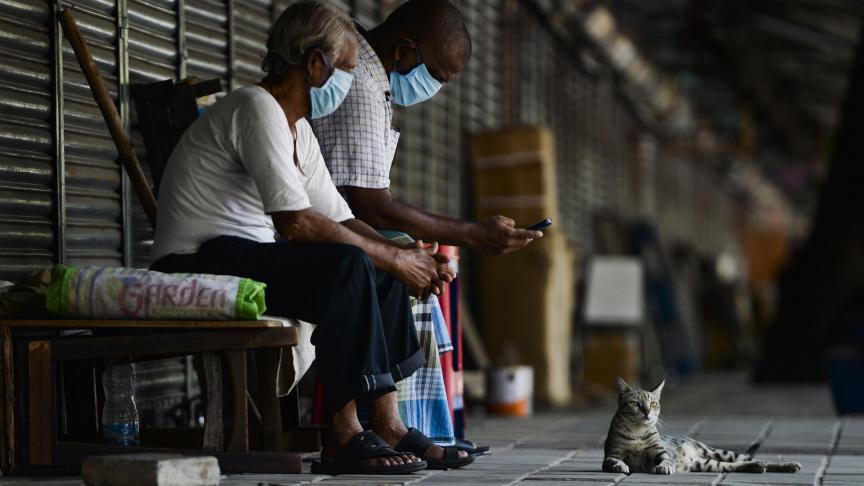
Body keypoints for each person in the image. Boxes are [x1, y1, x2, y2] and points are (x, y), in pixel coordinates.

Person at [149, 0, 472, 474]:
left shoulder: (297, 130)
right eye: (345, 68)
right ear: (315, 64)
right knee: (350, 264)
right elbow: (295, 222)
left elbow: (340, 217)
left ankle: (388, 423)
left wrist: (405, 255)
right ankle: (341, 434)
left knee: (378, 266)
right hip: (194, 260)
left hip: (241, 255)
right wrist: (387, 257)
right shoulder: (256, 106)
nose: (349, 80)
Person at [310, 0, 541, 456]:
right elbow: (369, 202)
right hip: (316, 232)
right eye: (434, 74)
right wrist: (471, 234)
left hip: (333, 223)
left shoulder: (374, 78)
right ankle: (353, 423)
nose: (432, 87)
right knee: (390, 259)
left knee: (399, 253)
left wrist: (407, 250)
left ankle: (390, 421)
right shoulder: (360, 82)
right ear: (404, 52)